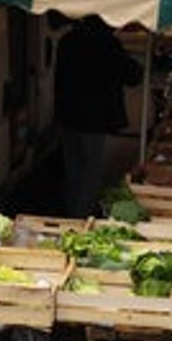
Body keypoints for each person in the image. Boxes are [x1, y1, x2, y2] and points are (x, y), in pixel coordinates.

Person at [52, 14, 140, 218]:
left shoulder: (67, 41)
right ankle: (81, 217)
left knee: (73, 168)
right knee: (90, 170)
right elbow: (132, 75)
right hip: (94, 119)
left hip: (68, 115)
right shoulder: (108, 43)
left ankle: (71, 213)